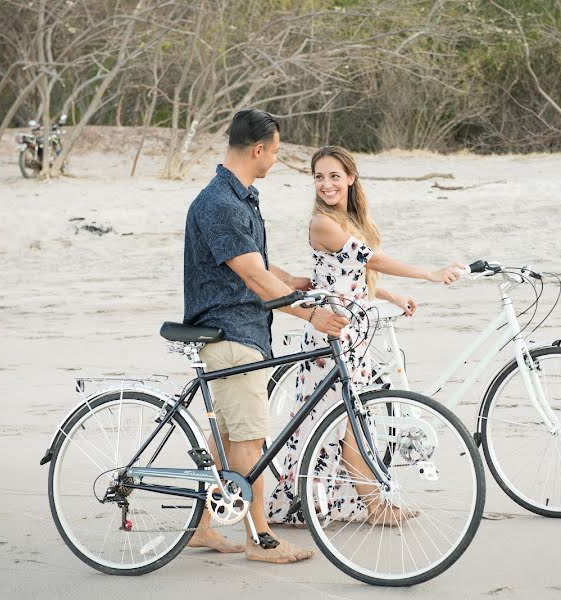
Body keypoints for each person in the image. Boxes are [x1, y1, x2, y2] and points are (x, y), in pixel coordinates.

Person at [265, 145, 463, 527]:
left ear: (351, 178)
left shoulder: (351, 220)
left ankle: (368, 503)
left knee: (353, 422)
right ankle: (372, 506)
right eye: (319, 177)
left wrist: (391, 294)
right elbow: (371, 260)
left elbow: (354, 279)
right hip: (329, 336)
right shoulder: (321, 223)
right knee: (343, 424)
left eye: (334, 176)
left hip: (353, 332)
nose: (326, 184)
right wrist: (429, 274)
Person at [183, 110, 348, 563]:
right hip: (232, 331)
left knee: (229, 439)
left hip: (243, 328)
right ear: (258, 149)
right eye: (275, 150)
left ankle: (200, 528)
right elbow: (253, 276)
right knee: (250, 442)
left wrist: (294, 280)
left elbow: (252, 262)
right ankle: (261, 541)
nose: (276, 158)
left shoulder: (239, 198)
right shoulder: (220, 203)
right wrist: (310, 314)